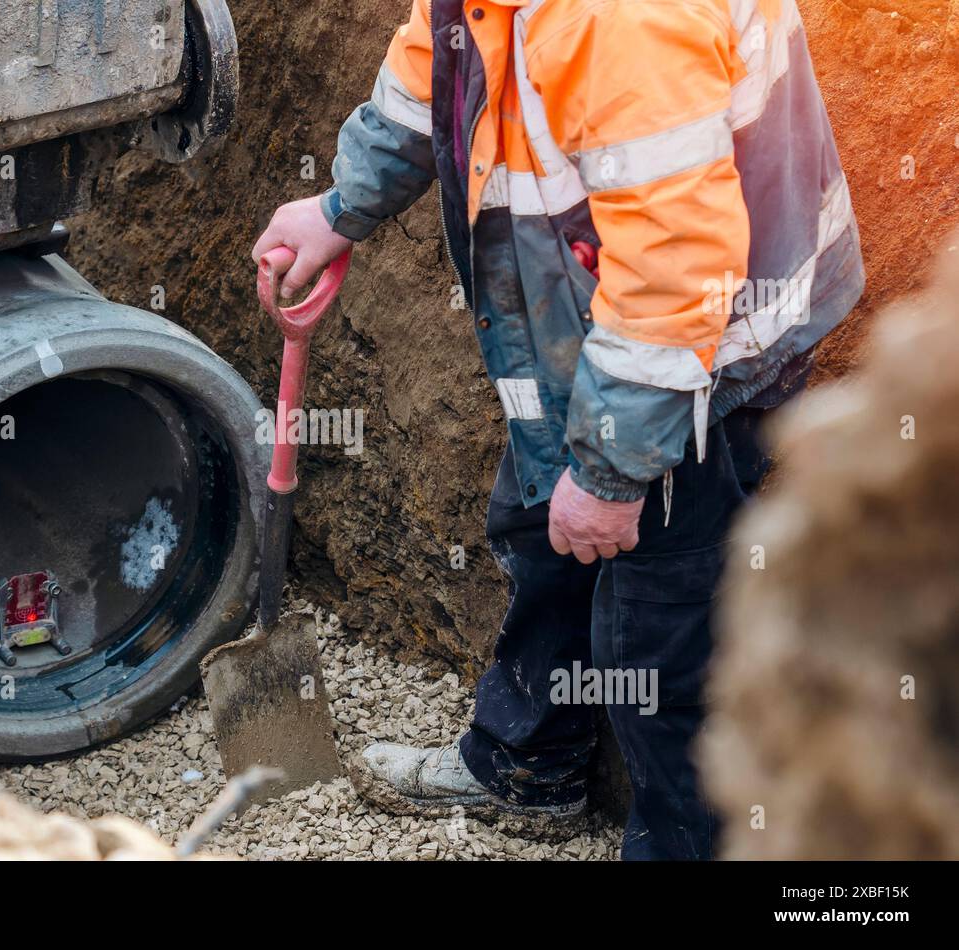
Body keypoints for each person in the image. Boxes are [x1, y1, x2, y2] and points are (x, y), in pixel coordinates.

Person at [252, 0, 863, 860]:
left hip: (702, 356)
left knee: (659, 633)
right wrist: (339, 205)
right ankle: (527, 762)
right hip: (582, 320)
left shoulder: (625, 21)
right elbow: (441, 66)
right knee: (541, 526)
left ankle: (686, 844)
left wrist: (613, 471)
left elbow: (674, 270)